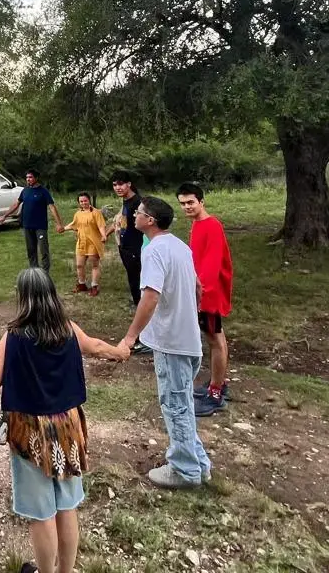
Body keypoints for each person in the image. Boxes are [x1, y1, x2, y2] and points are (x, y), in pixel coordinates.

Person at [0, 269, 122, 573]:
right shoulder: (68, 329)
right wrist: (121, 350)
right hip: (69, 426)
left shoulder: (14, 337)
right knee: (67, 504)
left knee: (41, 512)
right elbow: (96, 347)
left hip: (31, 431)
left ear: (23, 299)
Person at [109, 196, 212, 489]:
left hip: (172, 343)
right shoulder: (179, 246)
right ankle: (199, 464)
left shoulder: (154, 251)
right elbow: (197, 289)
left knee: (175, 405)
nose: (134, 216)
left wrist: (130, 337)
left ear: (150, 221)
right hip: (189, 340)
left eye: (138, 213)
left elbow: (150, 297)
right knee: (183, 404)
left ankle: (184, 470)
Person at [177, 183, 234, 417]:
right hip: (199, 291)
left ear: (202, 202)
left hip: (207, 295)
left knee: (215, 339)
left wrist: (201, 295)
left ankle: (216, 392)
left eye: (191, 202)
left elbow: (211, 264)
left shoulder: (212, 226)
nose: (187, 207)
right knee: (213, 338)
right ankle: (217, 382)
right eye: (182, 203)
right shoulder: (197, 224)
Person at [110, 171, 149, 355]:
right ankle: (145, 332)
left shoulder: (138, 203)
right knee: (135, 291)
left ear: (129, 184)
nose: (118, 187)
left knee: (140, 292)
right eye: (115, 184)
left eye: (121, 184)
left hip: (136, 252)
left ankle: (146, 337)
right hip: (126, 251)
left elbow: (146, 229)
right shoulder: (126, 202)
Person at [3, 170, 64, 273]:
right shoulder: (25, 191)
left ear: (36, 178)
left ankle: (45, 272)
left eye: (30, 177)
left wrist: (59, 223)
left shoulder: (43, 191)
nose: (28, 179)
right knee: (31, 250)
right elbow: (16, 204)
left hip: (40, 226)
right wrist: (5, 215)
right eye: (27, 177)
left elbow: (52, 207)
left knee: (43, 249)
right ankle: (34, 271)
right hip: (27, 225)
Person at [63, 192, 109, 296]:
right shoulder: (78, 213)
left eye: (85, 200)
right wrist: (63, 228)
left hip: (93, 242)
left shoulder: (96, 213)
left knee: (94, 265)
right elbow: (73, 224)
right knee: (79, 265)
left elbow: (101, 225)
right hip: (81, 243)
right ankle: (82, 284)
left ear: (89, 200)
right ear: (79, 203)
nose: (83, 203)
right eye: (81, 201)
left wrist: (103, 235)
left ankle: (94, 286)